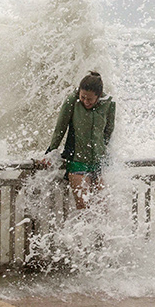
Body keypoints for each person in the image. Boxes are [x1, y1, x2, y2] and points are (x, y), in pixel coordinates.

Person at [43, 71, 115, 210]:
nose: (85, 102)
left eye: (90, 99)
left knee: (102, 208)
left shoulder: (108, 104)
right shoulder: (72, 101)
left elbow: (108, 132)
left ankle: (100, 232)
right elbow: (60, 129)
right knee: (84, 207)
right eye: (83, 97)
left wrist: (104, 151)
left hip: (99, 162)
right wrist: (50, 152)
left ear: (98, 96)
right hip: (77, 162)